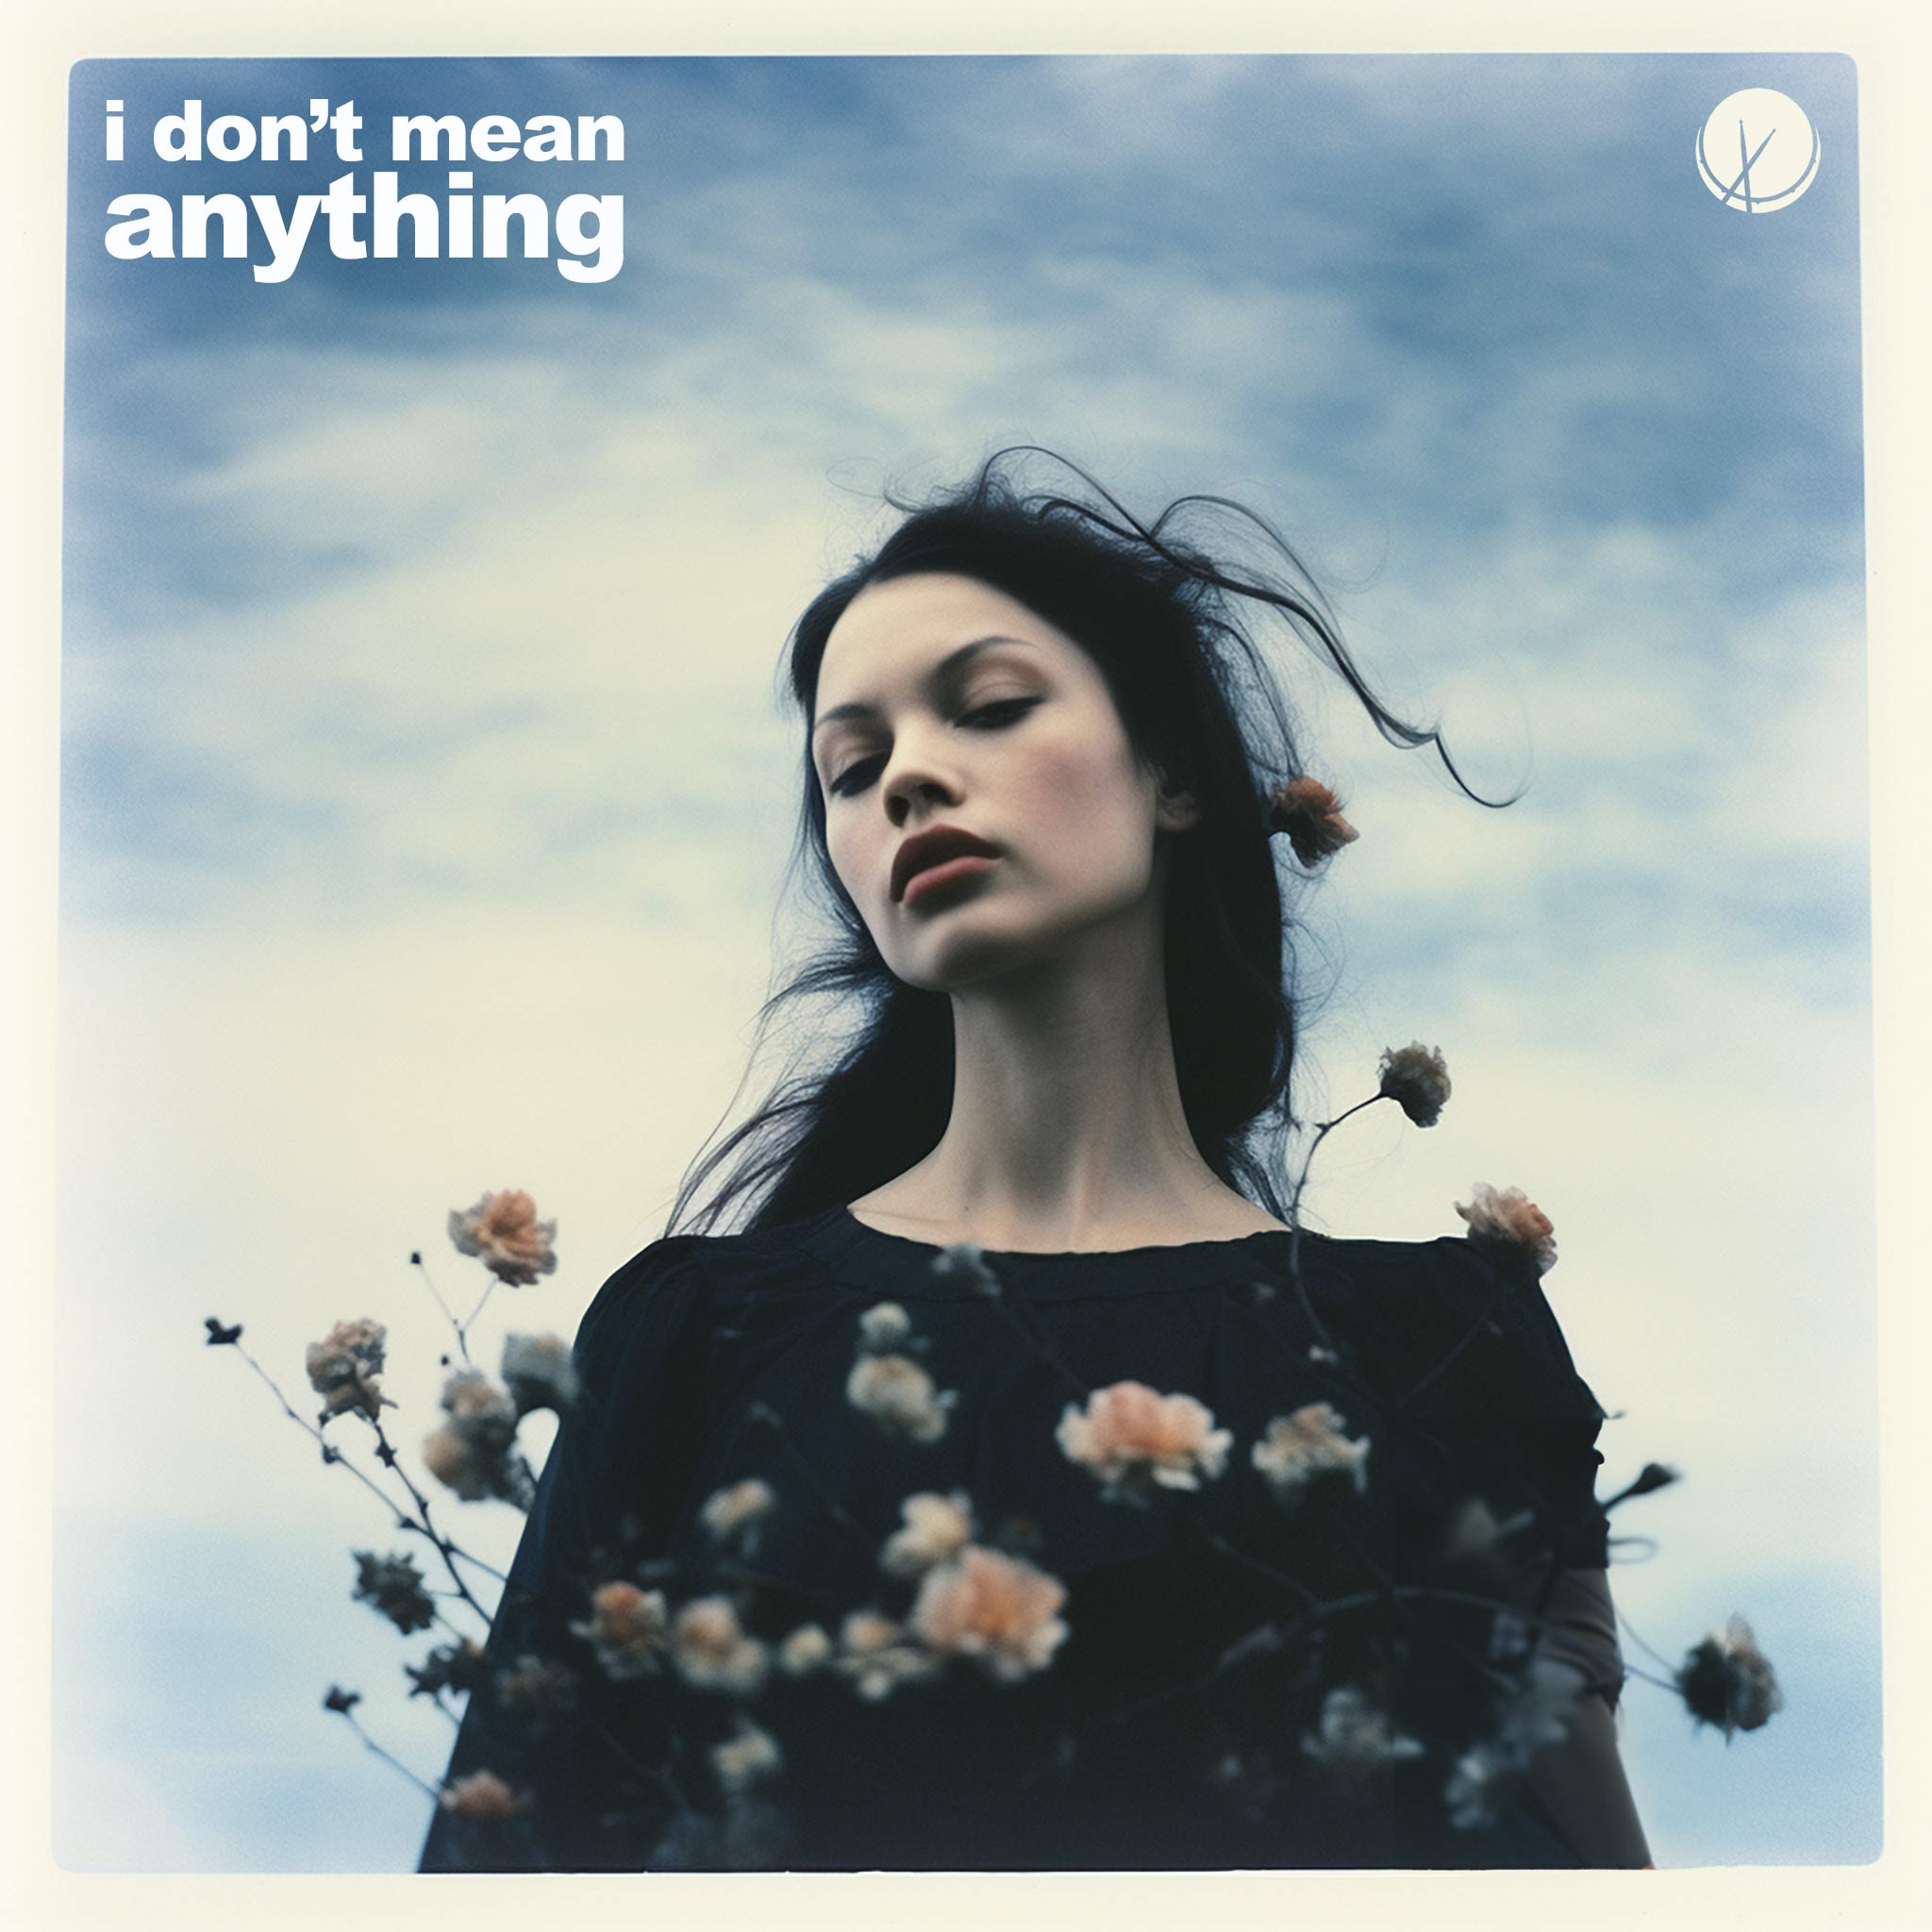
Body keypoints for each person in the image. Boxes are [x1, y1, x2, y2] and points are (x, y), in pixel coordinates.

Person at [417, 447, 1652, 1874]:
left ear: (1174, 774)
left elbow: (1568, 1862)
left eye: (991, 708)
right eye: (852, 766)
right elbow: (514, 1855)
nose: (911, 780)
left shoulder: (1436, 1342)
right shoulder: (700, 1333)